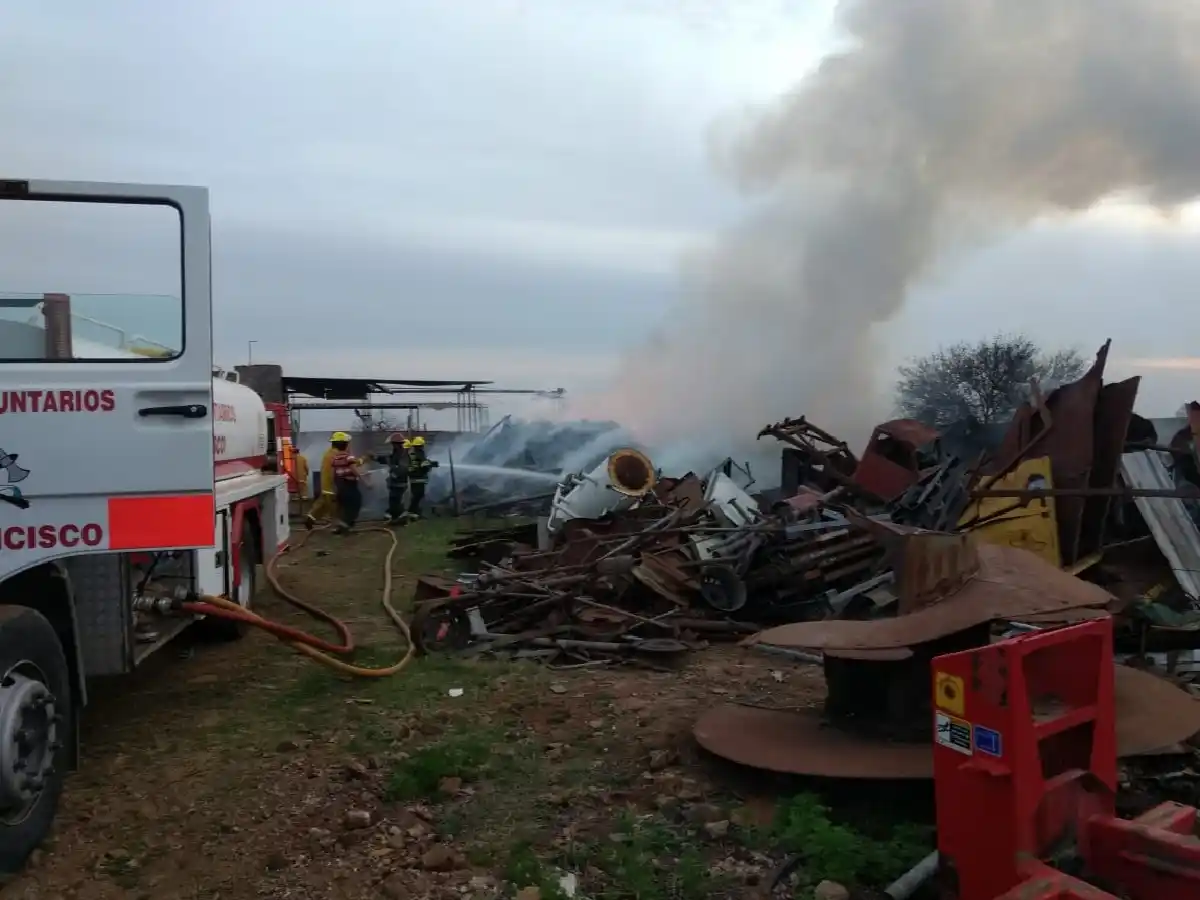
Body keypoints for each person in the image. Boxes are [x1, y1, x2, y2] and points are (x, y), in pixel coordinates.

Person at [305, 432, 351, 529]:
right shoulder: (336, 455)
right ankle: (338, 526)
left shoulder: (329, 453)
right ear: (341, 444)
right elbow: (345, 465)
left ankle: (310, 518)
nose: (348, 445)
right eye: (346, 443)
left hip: (326, 485)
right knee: (334, 508)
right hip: (332, 486)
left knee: (322, 504)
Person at [330, 436, 364, 534]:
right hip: (350, 485)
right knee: (356, 504)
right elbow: (355, 470)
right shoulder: (349, 457)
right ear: (347, 445)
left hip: (340, 485)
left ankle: (343, 526)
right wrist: (366, 482)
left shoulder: (334, 458)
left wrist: (334, 487)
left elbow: (333, 474)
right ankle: (345, 525)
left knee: (343, 506)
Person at [374, 433, 410, 525]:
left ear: (397, 443)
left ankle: (401, 517)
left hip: (399, 483)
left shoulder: (403, 454)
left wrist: (393, 475)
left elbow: (402, 469)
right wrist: (376, 458)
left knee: (395, 500)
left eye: (393, 444)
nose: (392, 446)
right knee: (393, 501)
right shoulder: (396, 453)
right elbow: (388, 459)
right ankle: (397, 518)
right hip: (395, 483)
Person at [404, 436, 439, 520]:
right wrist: (432, 464)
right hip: (418, 478)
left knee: (417, 495)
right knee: (418, 495)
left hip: (414, 477)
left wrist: (430, 463)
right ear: (420, 445)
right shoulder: (419, 453)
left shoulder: (413, 454)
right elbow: (424, 465)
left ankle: (416, 512)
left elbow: (420, 464)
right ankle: (412, 511)